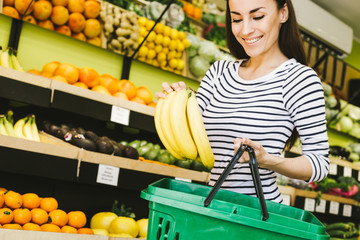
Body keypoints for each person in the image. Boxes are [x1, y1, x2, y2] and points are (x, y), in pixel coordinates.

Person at [157, 0, 329, 203]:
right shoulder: (219, 72)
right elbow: (191, 139)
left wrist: (267, 160)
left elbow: (319, 165)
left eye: (257, 17)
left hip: (257, 217)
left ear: (283, 13)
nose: (246, 30)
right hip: (212, 207)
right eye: (236, 19)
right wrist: (176, 101)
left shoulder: (299, 79)